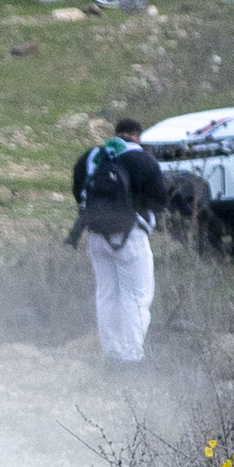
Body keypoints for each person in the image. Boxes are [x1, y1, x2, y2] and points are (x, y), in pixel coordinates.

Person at [70, 118, 168, 362]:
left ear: (116, 134)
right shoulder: (143, 161)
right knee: (136, 298)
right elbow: (160, 201)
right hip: (131, 236)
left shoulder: (91, 157)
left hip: (96, 235)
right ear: (137, 136)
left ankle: (111, 354)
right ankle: (132, 357)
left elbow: (77, 193)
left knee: (106, 295)